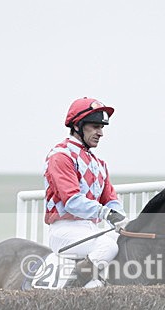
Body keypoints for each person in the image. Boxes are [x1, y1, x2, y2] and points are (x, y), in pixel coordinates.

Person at [44, 97, 128, 288]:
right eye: (95, 127)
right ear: (77, 126)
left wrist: (122, 218)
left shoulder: (99, 164)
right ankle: (72, 292)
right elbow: (72, 201)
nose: (100, 133)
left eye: (102, 128)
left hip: (90, 229)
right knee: (107, 246)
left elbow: (110, 200)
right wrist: (107, 214)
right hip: (64, 231)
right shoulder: (60, 156)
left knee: (126, 242)